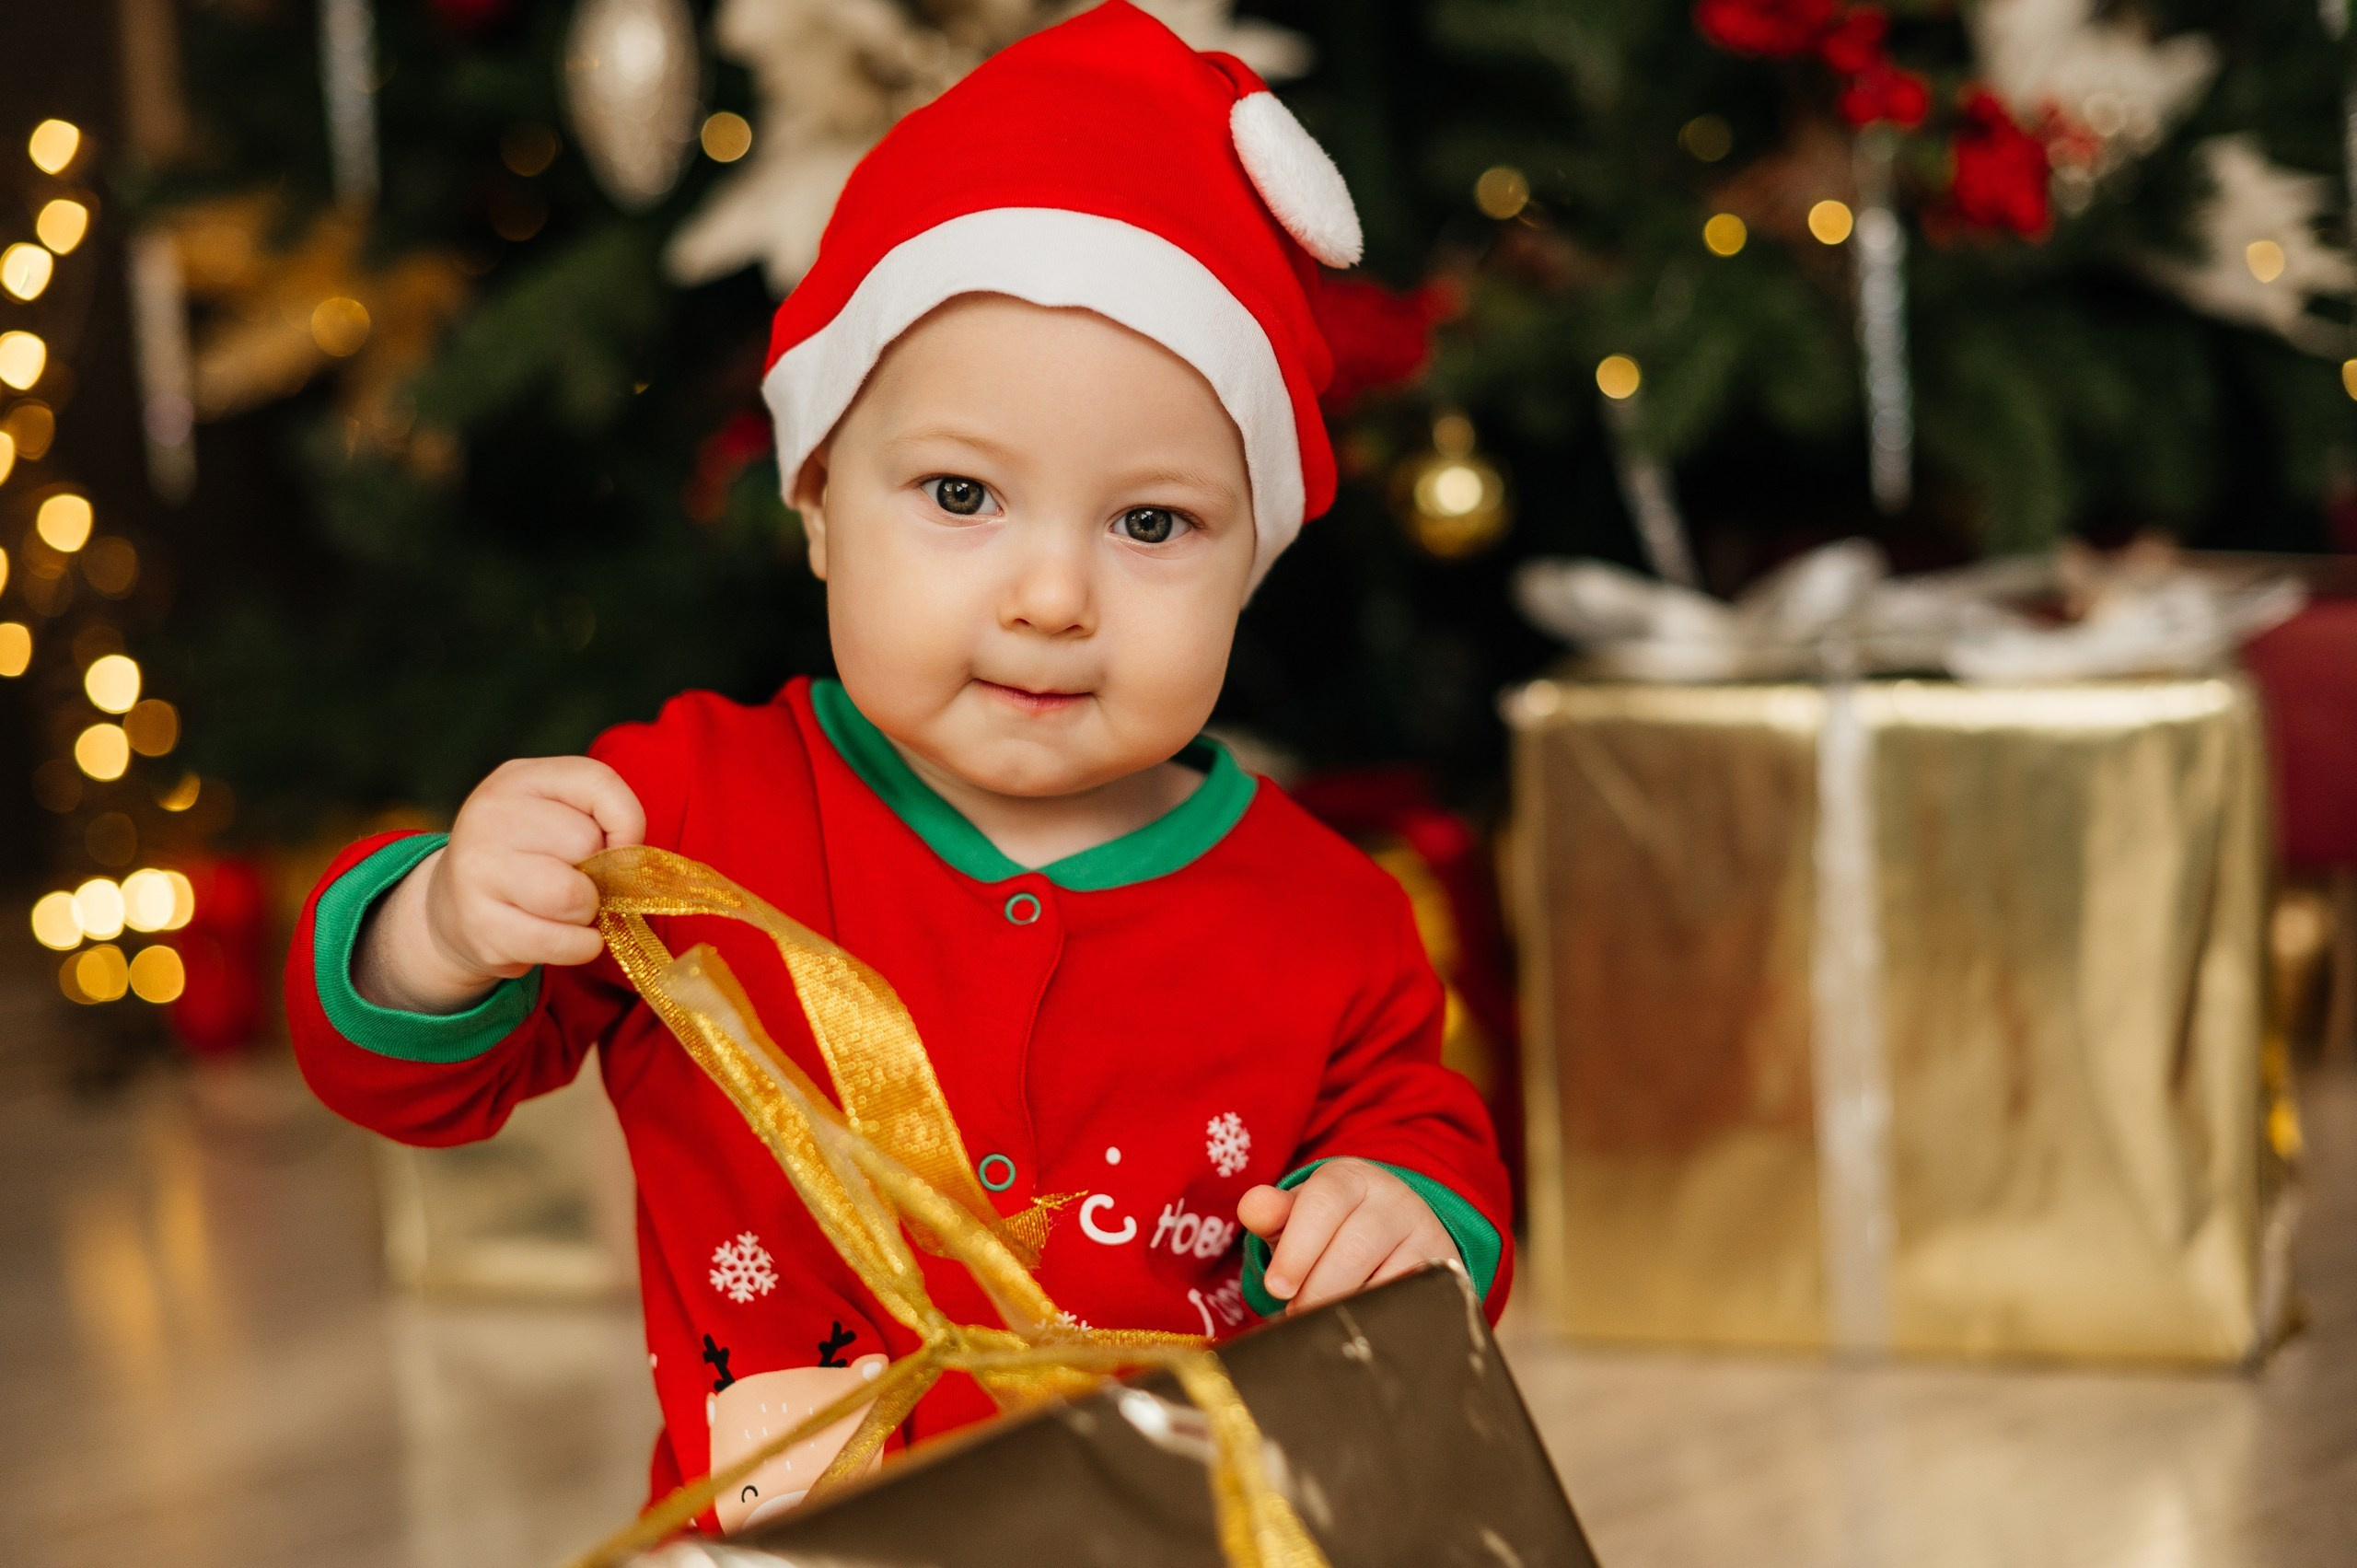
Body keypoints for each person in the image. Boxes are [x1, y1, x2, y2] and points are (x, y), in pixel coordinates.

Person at [285, 1, 1510, 1535]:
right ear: (813, 502)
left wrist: (1406, 1219)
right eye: (960, 494)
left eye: (1151, 525)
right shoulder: (688, 814)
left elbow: (1423, 1131)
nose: (1051, 597)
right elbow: (413, 1081)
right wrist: (448, 928)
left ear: (1247, 563)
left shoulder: (1319, 911)